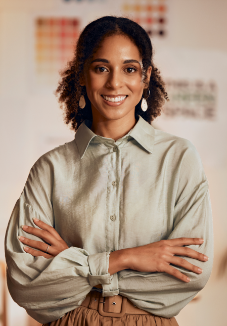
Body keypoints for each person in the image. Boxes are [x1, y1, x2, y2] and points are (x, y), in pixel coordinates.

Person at [4, 16, 213, 326]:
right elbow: (27, 282)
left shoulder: (179, 159)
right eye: (101, 68)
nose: (115, 83)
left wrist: (75, 262)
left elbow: (188, 276)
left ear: (146, 76)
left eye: (129, 69)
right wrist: (126, 258)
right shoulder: (50, 169)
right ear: (83, 75)